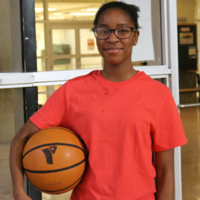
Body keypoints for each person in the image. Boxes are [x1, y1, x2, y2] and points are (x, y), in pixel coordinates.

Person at [10, 1, 187, 200]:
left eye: (122, 31)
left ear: (135, 37)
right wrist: (19, 191)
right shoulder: (72, 92)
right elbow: (19, 141)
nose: (112, 38)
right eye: (103, 31)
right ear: (96, 36)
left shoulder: (159, 95)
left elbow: (166, 171)